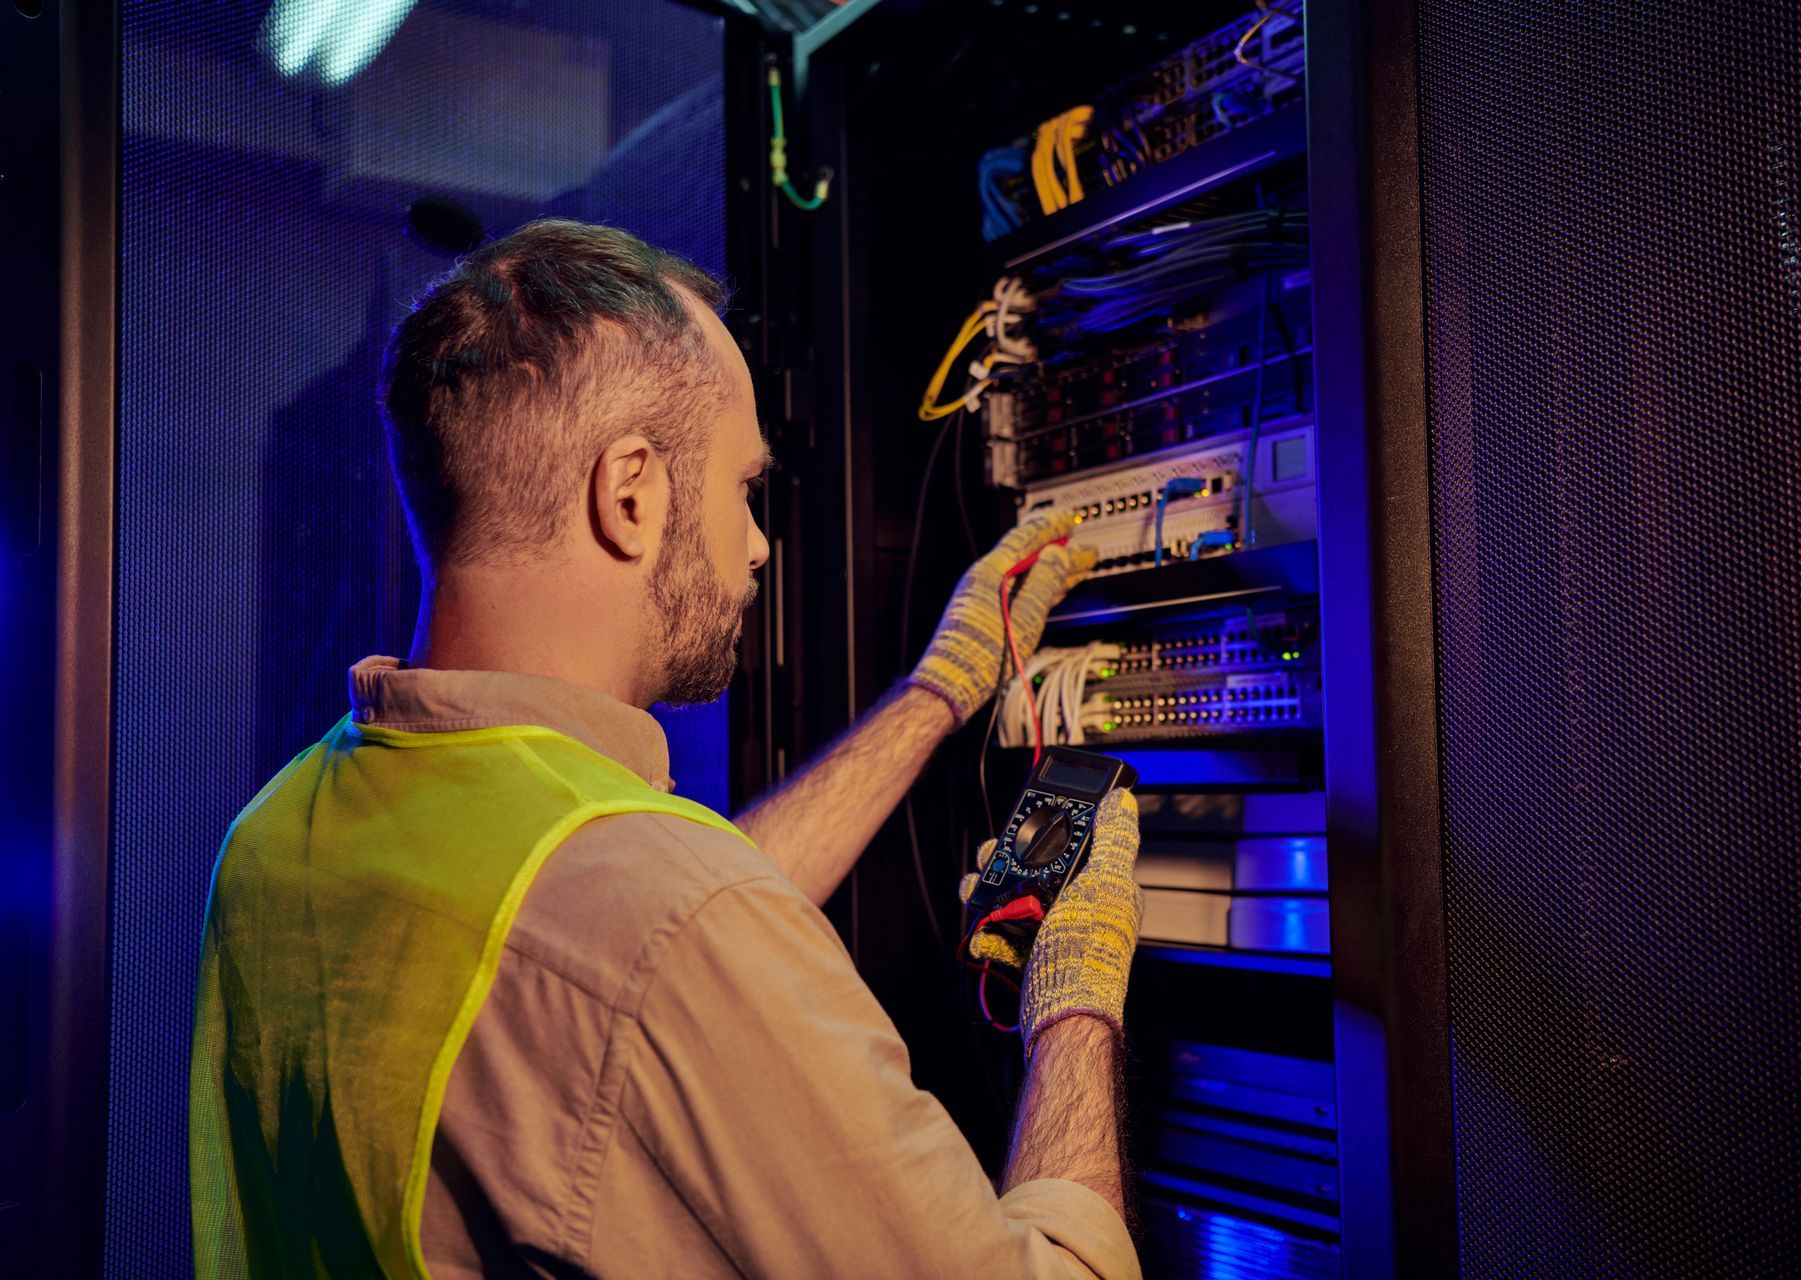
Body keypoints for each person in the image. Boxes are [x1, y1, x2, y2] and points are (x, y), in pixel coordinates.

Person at [189, 219, 1146, 1280]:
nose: (759, 544)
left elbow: (609, 956)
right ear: (631, 492)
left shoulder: (275, 834)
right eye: (744, 488)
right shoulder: (661, 918)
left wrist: (939, 691)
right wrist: (1076, 991)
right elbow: (660, 942)